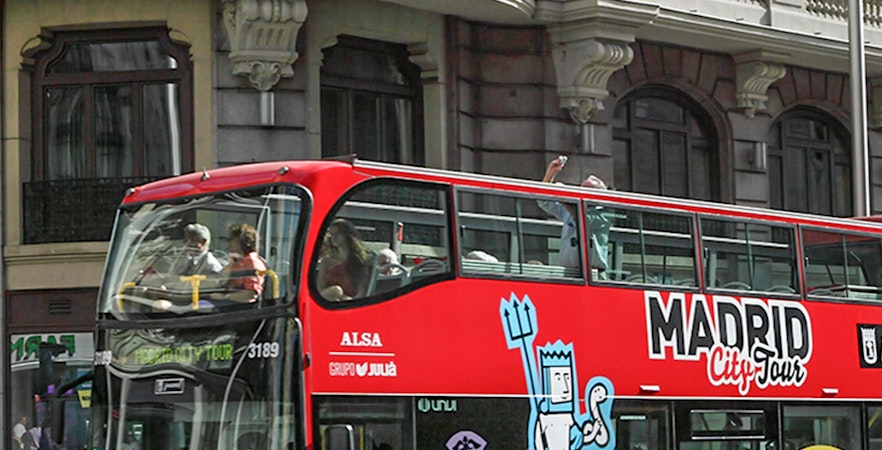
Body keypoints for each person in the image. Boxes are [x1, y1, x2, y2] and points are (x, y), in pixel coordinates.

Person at [539, 156, 611, 275]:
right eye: (580, 189)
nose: (580, 193)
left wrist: (562, 196)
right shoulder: (570, 208)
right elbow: (544, 202)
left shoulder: (604, 214)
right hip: (568, 272)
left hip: (592, 274)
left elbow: (582, 220)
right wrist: (550, 174)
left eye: (586, 190)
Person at [317, 218, 373, 301]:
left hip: (351, 304)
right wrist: (342, 297)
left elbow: (361, 291)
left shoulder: (360, 261)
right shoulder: (326, 262)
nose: (334, 237)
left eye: (338, 233)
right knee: (336, 290)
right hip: (328, 302)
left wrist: (349, 302)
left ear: (347, 234)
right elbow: (320, 290)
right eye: (331, 234)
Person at [218, 223, 267, 302]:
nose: (228, 242)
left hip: (238, 306)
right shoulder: (237, 260)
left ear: (243, 241)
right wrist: (231, 265)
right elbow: (220, 281)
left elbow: (250, 295)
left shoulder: (252, 262)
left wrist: (224, 297)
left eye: (232, 239)